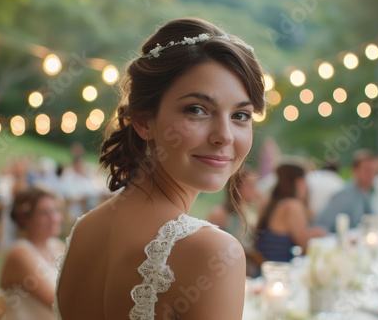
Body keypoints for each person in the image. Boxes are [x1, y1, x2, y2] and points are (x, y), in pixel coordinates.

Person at [54, 17, 266, 320]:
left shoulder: (84, 230)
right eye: (197, 110)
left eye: (241, 115)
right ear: (143, 120)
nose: (225, 136)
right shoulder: (212, 252)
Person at [0, 186, 65, 320]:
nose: (54, 218)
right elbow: (58, 305)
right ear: (25, 219)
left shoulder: (55, 246)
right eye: (44, 213)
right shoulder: (20, 255)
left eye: (56, 210)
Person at [255, 163, 327, 263]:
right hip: (280, 266)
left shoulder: (274, 202)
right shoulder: (292, 205)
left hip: (267, 264)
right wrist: (316, 235)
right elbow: (305, 247)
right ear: (298, 182)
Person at [207, 166, 263, 276]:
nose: (255, 191)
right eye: (251, 186)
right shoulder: (221, 212)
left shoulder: (248, 212)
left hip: (244, 266)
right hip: (225, 270)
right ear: (236, 187)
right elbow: (207, 245)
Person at [314, 149, 378, 232]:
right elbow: (320, 227)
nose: (371, 175)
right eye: (367, 170)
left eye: (374, 171)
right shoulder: (344, 197)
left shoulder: (367, 194)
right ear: (354, 171)